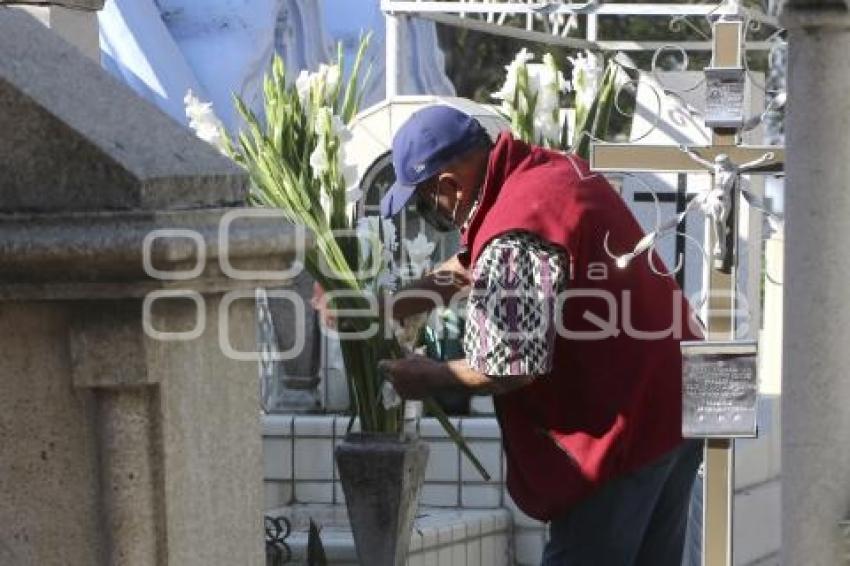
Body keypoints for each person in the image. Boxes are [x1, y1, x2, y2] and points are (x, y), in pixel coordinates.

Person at [377, 105, 702, 566]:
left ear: (448, 185)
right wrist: (393, 307)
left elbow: (511, 365)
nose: (434, 213)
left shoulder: (516, 228)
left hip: (620, 433)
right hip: (670, 407)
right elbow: (478, 262)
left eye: (429, 202)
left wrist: (425, 376)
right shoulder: (541, 175)